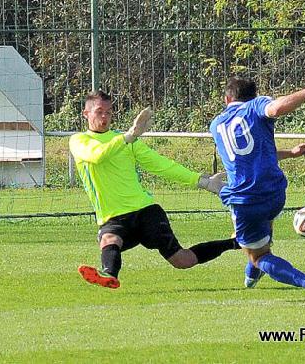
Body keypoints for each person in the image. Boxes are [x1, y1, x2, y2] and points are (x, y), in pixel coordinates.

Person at [70, 91, 236, 289]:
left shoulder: (127, 142)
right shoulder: (79, 140)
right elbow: (97, 155)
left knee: (183, 260)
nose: (105, 116)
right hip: (112, 217)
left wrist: (202, 182)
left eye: (109, 112)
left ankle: (235, 243)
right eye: (99, 112)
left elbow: (161, 165)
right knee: (109, 239)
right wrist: (128, 136)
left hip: (145, 211)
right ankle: (109, 275)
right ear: (86, 114)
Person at [210, 77, 305, 306]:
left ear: (227, 99)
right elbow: (260, 148)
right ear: (254, 95)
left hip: (245, 199)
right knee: (263, 231)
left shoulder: (217, 125)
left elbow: (276, 109)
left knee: (259, 256)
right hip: (275, 193)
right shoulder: (256, 105)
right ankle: (251, 278)